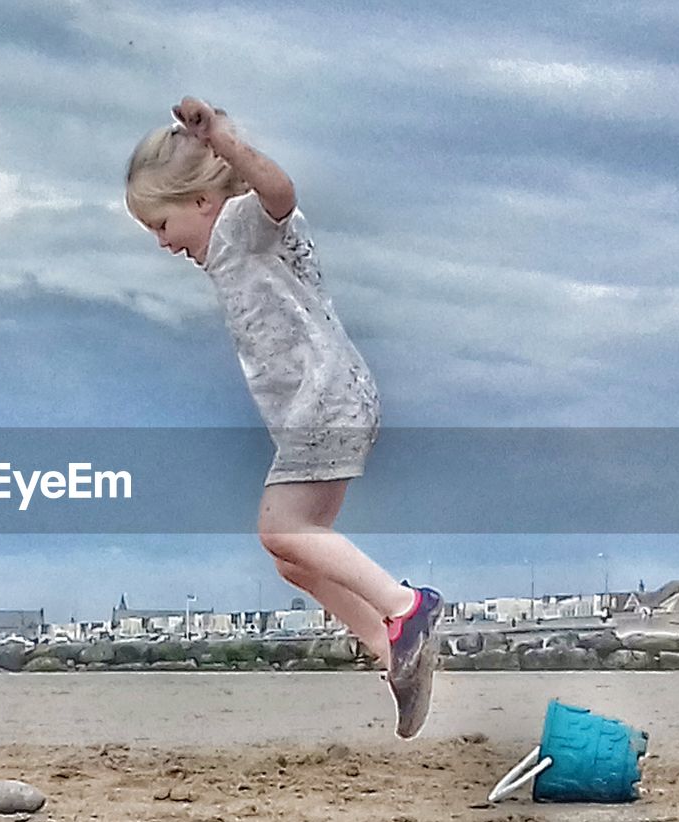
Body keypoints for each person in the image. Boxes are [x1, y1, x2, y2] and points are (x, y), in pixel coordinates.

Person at [125, 97, 443, 737]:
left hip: (325, 401)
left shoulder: (245, 225)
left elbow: (279, 190)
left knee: (280, 529)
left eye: (160, 225)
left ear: (200, 201)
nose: (162, 244)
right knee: (296, 557)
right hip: (320, 406)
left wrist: (223, 140)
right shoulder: (222, 252)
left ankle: (406, 608)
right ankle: (394, 654)